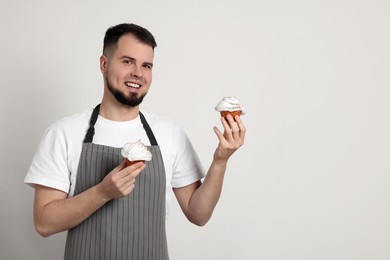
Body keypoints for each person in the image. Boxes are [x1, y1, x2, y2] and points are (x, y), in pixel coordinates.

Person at [24, 23, 246, 260]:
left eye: (146, 65)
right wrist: (102, 192)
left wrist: (221, 160)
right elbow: (44, 223)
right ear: (104, 64)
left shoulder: (169, 133)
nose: (138, 73)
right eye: (127, 61)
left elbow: (198, 214)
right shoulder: (64, 133)